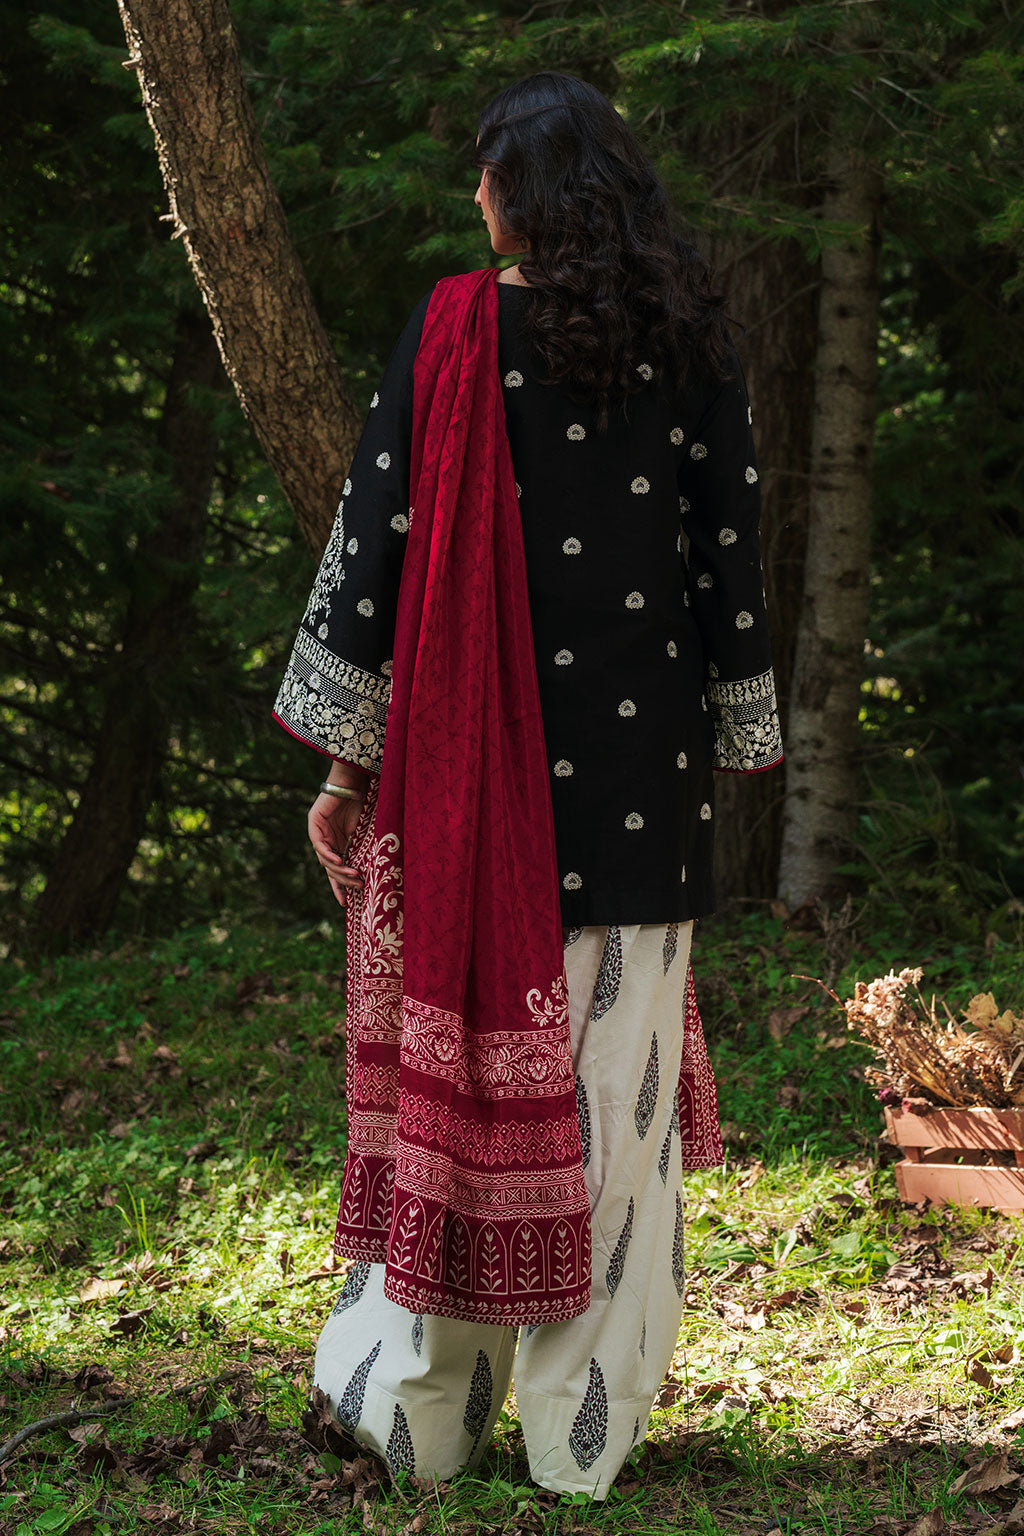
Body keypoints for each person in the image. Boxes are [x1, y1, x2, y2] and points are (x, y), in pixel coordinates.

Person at [272, 71, 782, 1499]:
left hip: (465, 777)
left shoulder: (454, 329)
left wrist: (349, 763)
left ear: (530, 193)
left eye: (489, 172)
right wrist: (743, 723)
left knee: (467, 1108)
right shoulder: (691, 336)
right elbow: (730, 555)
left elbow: (375, 548)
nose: (474, 196)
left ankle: (422, 1416)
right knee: (615, 1107)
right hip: (639, 773)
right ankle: (579, 1442)